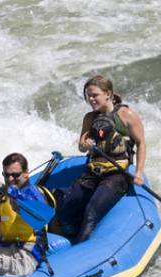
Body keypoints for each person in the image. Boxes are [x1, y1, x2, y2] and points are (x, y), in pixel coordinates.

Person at [56, 74, 147, 243]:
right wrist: (87, 144)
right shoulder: (89, 118)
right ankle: (71, 235)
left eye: (95, 95)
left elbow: (141, 143)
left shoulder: (126, 115)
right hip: (93, 171)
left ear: (108, 94)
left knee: (91, 210)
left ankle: (81, 246)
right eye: (88, 96)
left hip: (117, 174)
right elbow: (81, 146)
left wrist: (139, 172)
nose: (91, 99)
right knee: (63, 208)